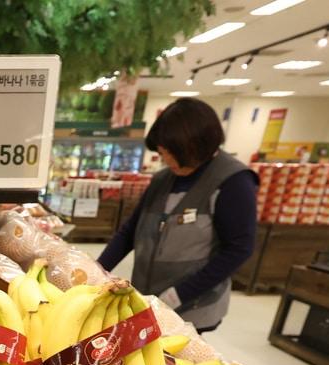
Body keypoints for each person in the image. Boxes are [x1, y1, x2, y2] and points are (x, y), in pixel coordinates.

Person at [98, 98, 258, 332]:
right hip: (149, 299)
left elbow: (239, 249)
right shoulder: (162, 180)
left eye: (171, 153)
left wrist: (178, 295)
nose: (166, 160)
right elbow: (131, 230)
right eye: (163, 153)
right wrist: (97, 270)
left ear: (195, 146)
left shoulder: (233, 182)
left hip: (194, 305)